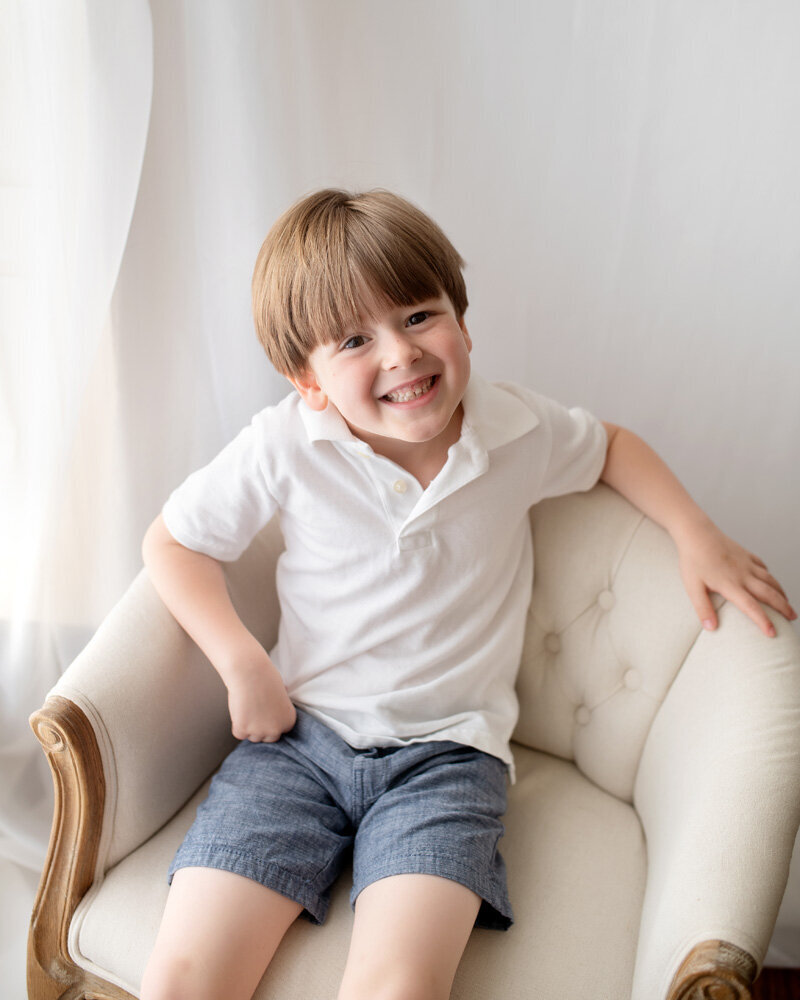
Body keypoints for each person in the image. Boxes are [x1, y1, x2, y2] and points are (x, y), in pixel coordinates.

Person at [139, 188, 795, 1000]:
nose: (400, 354)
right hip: (299, 744)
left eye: (419, 315)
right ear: (307, 379)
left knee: (398, 986)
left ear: (462, 320)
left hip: (449, 758)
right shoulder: (283, 445)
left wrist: (696, 533)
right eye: (354, 339)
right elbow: (172, 543)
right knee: (184, 977)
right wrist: (242, 661)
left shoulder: (517, 430)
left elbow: (614, 447)